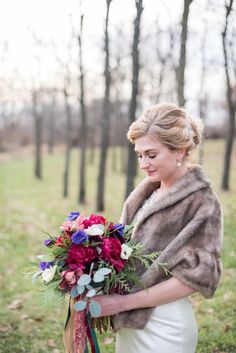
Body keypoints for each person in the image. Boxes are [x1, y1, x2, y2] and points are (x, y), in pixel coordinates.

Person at [95, 103, 223, 353]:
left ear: (180, 151)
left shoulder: (202, 202)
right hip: (132, 322)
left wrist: (122, 303)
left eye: (151, 155)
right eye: (140, 155)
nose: (144, 163)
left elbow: (196, 277)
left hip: (166, 326)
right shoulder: (147, 192)